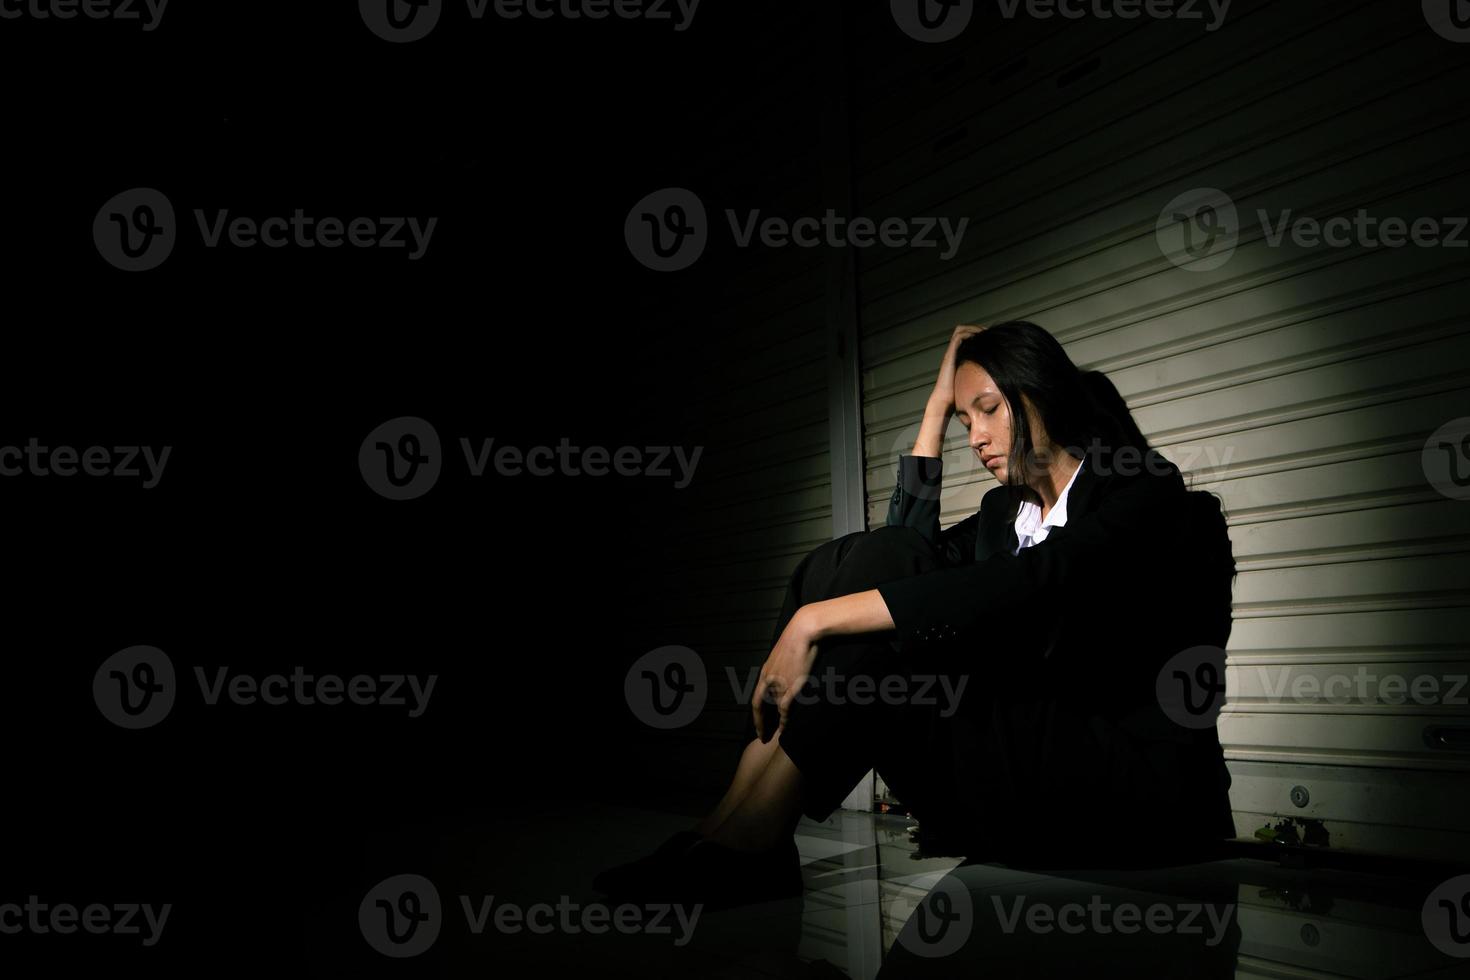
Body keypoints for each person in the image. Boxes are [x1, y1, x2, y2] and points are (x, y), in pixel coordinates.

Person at [593, 321, 1237, 909]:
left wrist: (809, 624)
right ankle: (734, 823)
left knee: (856, 608)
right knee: (850, 567)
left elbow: (1038, 581)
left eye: (988, 410)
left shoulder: (1146, 494)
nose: (976, 437)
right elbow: (898, 554)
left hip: (1118, 789)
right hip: (1016, 773)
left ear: (1043, 396)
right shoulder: (1000, 516)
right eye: (963, 421)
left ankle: (754, 835)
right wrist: (932, 412)